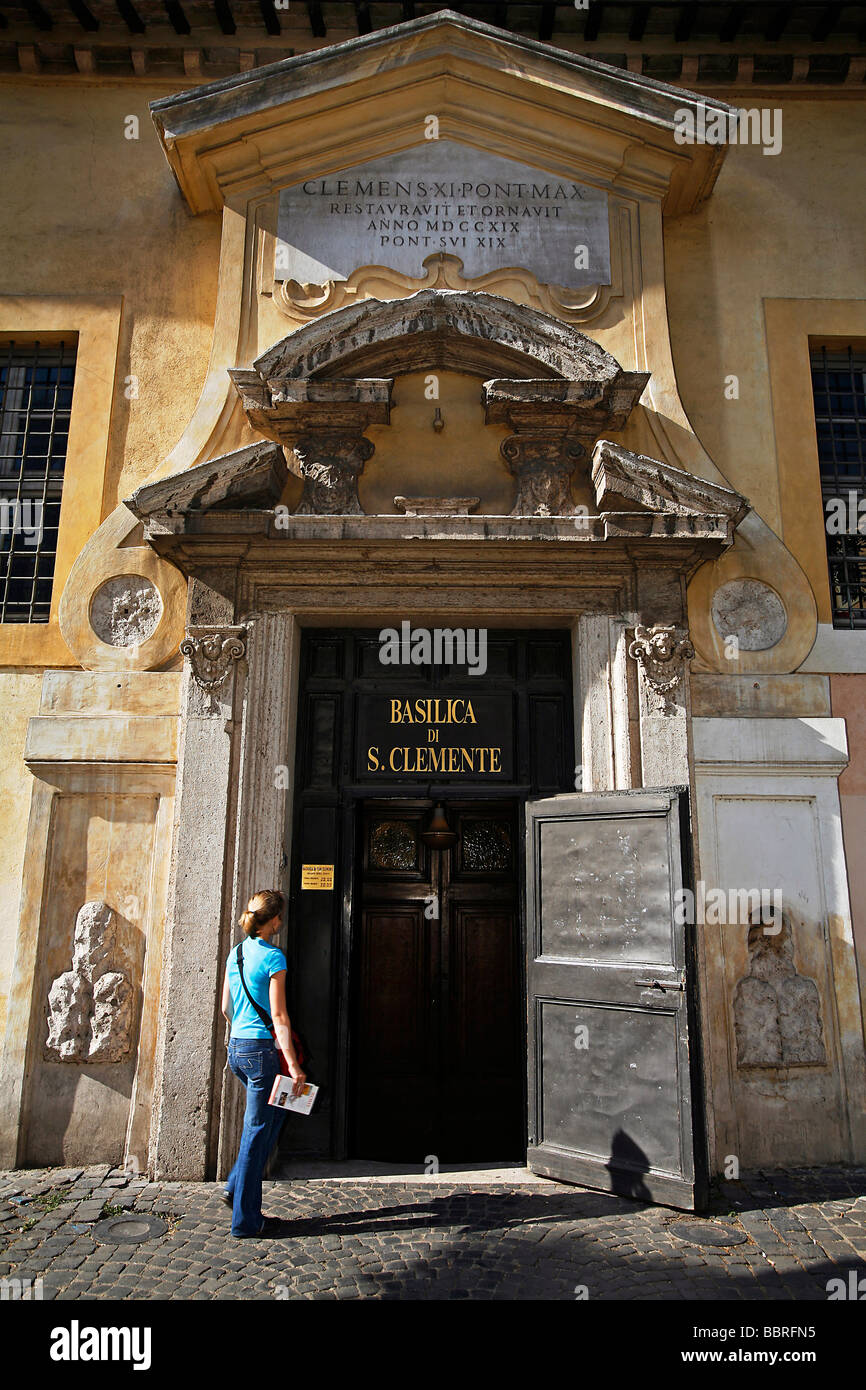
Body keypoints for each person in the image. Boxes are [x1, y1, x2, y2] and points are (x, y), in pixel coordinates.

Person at [220, 889, 306, 1237]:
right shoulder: (274, 958)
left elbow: (226, 1008)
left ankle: (233, 1184)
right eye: (279, 917)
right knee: (256, 1132)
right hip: (261, 1052)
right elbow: (280, 1015)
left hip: (237, 1049)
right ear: (272, 921)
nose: (281, 922)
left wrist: (241, 1031)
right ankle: (245, 1221)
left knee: (274, 1115)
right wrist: (295, 1065)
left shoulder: (235, 954)